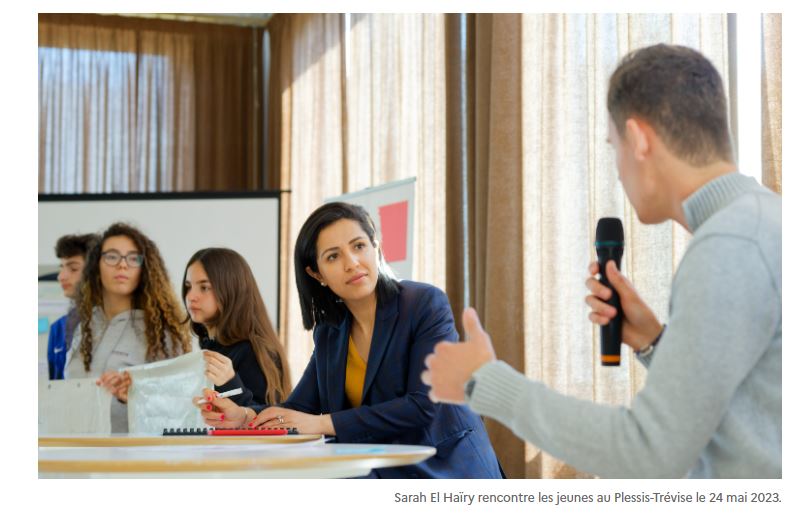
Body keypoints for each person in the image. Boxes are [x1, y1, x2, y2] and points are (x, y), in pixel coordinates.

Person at [422, 44, 781, 478]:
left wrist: (487, 383)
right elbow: (758, 412)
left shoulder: (729, 245)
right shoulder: (765, 222)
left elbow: (647, 453)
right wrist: (656, 343)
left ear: (640, 139)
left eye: (614, 146)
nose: (617, 169)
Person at [199, 202, 503, 478]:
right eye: (333, 256)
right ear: (317, 274)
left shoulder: (424, 303)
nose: (352, 262)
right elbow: (298, 409)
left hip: (446, 469)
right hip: (379, 470)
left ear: (377, 248)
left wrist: (321, 423)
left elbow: (424, 406)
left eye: (359, 246)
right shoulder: (330, 332)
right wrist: (244, 416)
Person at [65, 222, 191, 432]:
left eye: (133, 258)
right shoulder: (84, 328)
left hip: (134, 456)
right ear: (96, 265)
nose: (122, 265)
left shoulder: (161, 333)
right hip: (79, 452)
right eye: (112, 256)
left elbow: (182, 405)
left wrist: (134, 396)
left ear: (144, 269)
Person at [183, 247, 291, 408]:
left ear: (231, 289)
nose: (191, 296)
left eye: (204, 287)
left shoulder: (255, 352)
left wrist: (229, 382)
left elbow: (270, 420)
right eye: (188, 286)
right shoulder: (209, 347)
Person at [47, 232, 99, 380]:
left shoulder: (118, 322)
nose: (61, 276)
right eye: (61, 268)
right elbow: (54, 388)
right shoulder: (58, 329)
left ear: (97, 273)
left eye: (73, 269)